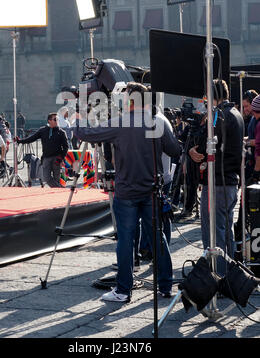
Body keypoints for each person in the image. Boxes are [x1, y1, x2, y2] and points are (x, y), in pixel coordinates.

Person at [73, 82, 181, 302]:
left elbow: (85, 133)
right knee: (157, 237)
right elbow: (175, 150)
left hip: (127, 190)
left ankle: (123, 290)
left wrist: (79, 113)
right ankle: (166, 285)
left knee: (125, 239)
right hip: (152, 188)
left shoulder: (120, 122)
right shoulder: (158, 121)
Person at [189, 79, 244, 275]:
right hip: (230, 181)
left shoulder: (219, 115)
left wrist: (196, 151)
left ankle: (218, 277)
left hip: (218, 182)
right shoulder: (236, 113)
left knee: (214, 235)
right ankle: (228, 275)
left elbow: (210, 141)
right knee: (225, 231)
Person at [15, 112, 69, 187]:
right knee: (46, 178)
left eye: (57, 119)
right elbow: (32, 138)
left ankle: (57, 195)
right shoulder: (43, 130)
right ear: (49, 121)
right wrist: (20, 141)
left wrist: (61, 158)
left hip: (57, 158)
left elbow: (66, 147)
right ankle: (60, 189)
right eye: (55, 119)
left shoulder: (62, 132)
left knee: (57, 178)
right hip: (46, 158)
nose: (57, 121)